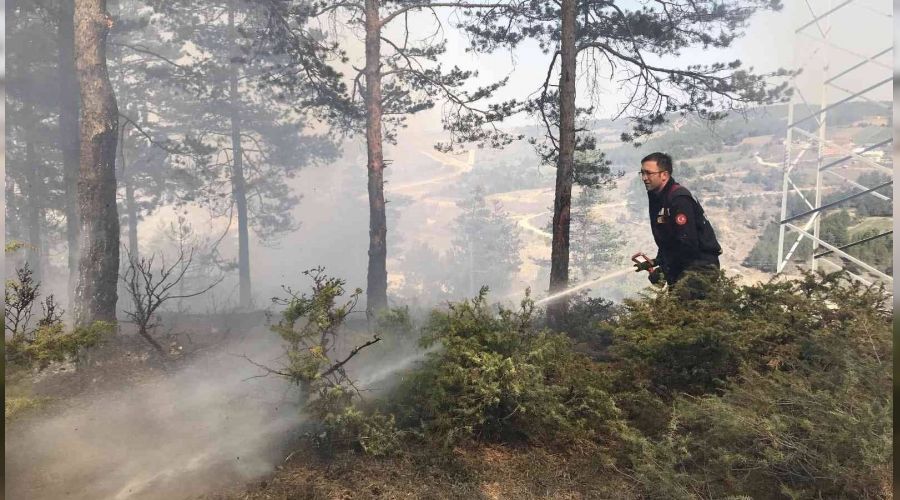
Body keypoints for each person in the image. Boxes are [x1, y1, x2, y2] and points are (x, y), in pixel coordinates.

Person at [632, 152, 722, 286]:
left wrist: (664, 270)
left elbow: (687, 244)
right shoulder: (659, 198)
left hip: (699, 268)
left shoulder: (679, 199)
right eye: (642, 173)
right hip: (685, 267)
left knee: (685, 306)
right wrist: (657, 261)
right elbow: (669, 240)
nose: (644, 178)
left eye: (649, 173)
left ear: (664, 175)